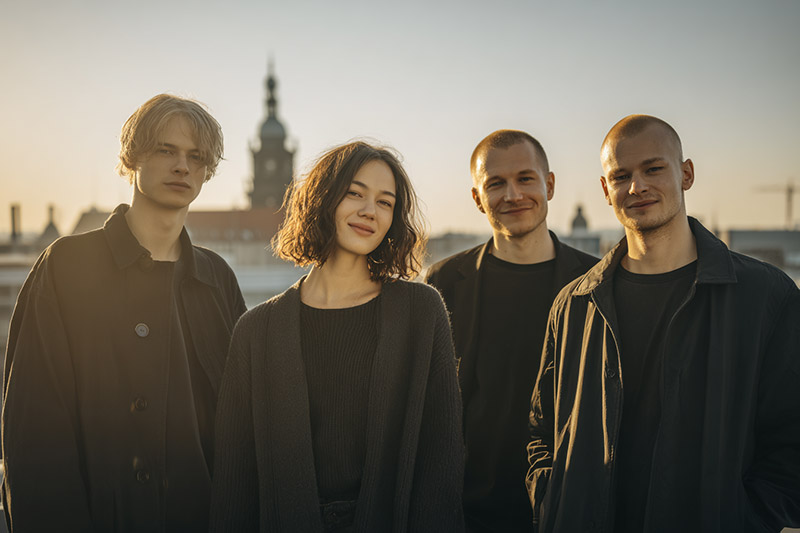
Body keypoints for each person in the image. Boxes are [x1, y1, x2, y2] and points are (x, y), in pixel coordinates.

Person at [527, 114, 800, 532]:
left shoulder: (767, 296)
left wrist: (745, 519)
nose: (636, 186)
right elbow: (542, 432)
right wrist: (553, 503)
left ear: (686, 174)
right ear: (606, 189)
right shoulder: (573, 304)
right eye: (621, 176)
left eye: (653, 168)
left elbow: (789, 442)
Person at [2, 94, 246, 531]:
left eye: (196, 156)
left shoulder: (218, 279)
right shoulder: (65, 266)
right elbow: (32, 436)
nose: (182, 166)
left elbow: (243, 423)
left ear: (208, 171)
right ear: (133, 157)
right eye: (166, 150)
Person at [210, 141, 464, 532]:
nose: (369, 211)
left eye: (385, 202)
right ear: (323, 199)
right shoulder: (256, 330)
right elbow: (234, 481)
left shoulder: (421, 311)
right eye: (355, 193)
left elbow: (441, 462)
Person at [425, 130, 597, 531]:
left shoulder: (596, 281)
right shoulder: (444, 282)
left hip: (571, 508)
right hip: (469, 511)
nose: (512, 194)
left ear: (549, 185)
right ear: (477, 197)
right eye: (496, 183)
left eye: (525, 179)